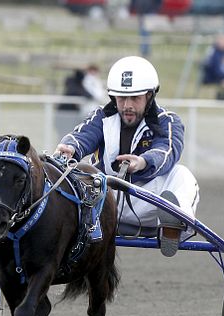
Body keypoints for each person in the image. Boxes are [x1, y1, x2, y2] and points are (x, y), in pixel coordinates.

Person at [55, 56, 200, 257]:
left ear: (150, 96)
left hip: (150, 204)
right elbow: (83, 135)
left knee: (183, 175)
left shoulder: (167, 121)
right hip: (103, 202)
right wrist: (70, 147)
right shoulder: (102, 117)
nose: (127, 105)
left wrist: (143, 162)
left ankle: (173, 227)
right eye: (121, 98)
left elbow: (167, 150)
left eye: (135, 98)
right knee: (76, 175)